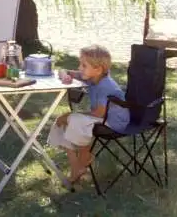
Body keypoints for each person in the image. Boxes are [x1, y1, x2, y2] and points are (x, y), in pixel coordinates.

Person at [49, 44, 130, 184]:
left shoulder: (105, 86)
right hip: (103, 118)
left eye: (83, 65)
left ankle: (84, 156)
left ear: (98, 69)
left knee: (72, 119)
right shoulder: (93, 77)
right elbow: (70, 72)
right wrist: (65, 74)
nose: (80, 68)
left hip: (113, 123)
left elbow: (99, 114)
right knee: (62, 121)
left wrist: (71, 115)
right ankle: (77, 166)